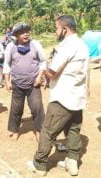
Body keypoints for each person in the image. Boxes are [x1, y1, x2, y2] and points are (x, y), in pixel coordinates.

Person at [27, 15, 89, 176]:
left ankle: (39, 164)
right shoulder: (82, 44)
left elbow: (52, 73)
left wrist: (45, 71)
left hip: (63, 98)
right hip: (77, 97)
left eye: (56, 28)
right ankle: (72, 162)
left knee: (48, 131)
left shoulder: (67, 46)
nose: (55, 31)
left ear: (65, 29)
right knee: (73, 130)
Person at [3, 22, 46, 141]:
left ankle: (39, 130)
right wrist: (7, 81)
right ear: (16, 35)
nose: (25, 34)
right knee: (16, 109)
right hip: (17, 83)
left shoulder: (35, 44)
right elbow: (7, 64)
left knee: (37, 108)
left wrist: (39, 77)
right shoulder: (11, 46)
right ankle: (15, 130)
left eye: (27, 31)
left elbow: (43, 62)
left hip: (33, 84)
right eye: (22, 32)